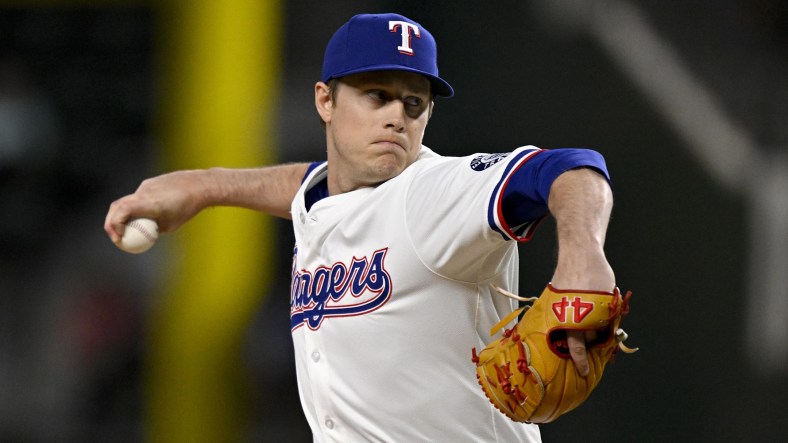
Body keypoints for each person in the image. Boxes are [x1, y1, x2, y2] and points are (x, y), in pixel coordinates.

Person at [105, 13, 618, 442]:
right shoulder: (324, 197)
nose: (397, 115)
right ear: (325, 101)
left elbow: (572, 168)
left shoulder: (436, 192)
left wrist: (583, 256)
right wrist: (201, 186)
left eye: (413, 103)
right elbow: (305, 187)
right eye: (377, 95)